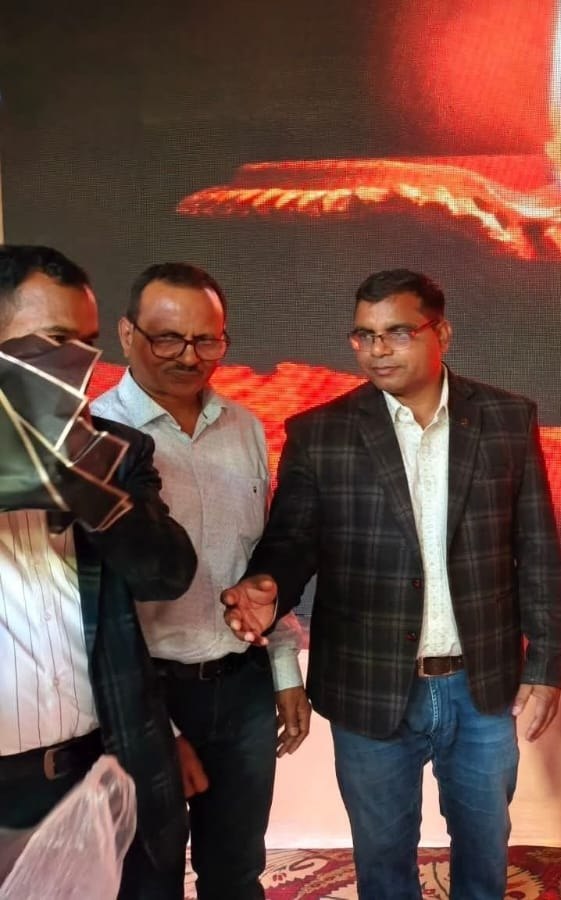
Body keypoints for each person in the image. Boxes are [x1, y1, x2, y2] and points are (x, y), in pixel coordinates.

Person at [218, 269, 561, 900]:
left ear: (442, 333)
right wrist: (268, 584)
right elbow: (292, 541)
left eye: (397, 332)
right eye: (364, 335)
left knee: (485, 852)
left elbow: (538, 549)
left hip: (480, 684)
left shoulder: (506, 419)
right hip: (367, 682)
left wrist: (545, 666)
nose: (377, 349)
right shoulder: (320, 433)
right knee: (381, 861)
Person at [90, 262, 309, 899]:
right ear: (127, 334)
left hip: (241, 688)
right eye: (168, 339)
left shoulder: (244, 428)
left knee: (236, 873)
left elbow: (259, 564)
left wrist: (284, 669)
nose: (189, 357)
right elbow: (91, 603)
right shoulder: (93, 439)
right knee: (146, 878)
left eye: (207, 341)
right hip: (141, 694)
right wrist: (157, 727)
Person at [0, 244, 196, 899]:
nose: (79, 365)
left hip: (103, 771)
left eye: (87, 344)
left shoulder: (115, 451)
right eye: (56, 341)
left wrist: (80, 483)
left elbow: (167, 574)